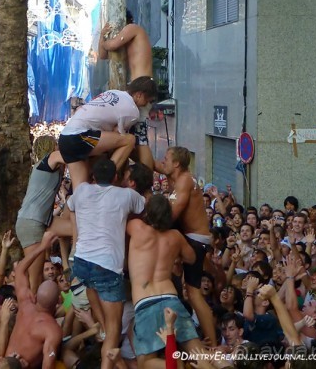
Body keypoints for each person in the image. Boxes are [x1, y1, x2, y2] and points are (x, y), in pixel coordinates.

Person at [68, 157, 145, 369]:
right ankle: (105, 350)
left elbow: (70, 206)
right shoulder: (126, 195)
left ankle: (100, 325)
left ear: (93, 176)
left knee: (91, 285)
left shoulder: (82, 190)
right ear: (116, 177)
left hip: (81, 262)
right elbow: (143, 207)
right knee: (113, 332)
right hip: (108, 268)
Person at [126, 194, 206, 367]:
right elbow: (191, 258)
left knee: (145, 362)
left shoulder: (137, 227)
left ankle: (176, 367)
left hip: (145, 303)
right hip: (171, 298)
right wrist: (175, 257)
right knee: (198, 353)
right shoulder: (175, 236)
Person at [155, 146, 216, 346]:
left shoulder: (183, 181)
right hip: (191, 236)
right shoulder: (177, 177)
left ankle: (213, 343)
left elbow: (172, 214)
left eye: (166, 158)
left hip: (196, 238)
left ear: (177, 164)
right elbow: (155, 165)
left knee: (194, 292)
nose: (163, 161)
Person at [58, 77, 157, 186]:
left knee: (81, 192)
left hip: (65, 138)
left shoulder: (114, 92)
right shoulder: (132, 111)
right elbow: (118, 137)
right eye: (148, 101)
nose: (147, 105)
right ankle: (104, 178)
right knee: (129, 140)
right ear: (139, 95)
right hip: (78, 136)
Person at [98, 12, 154, 168]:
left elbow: (111, 45)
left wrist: (105, 40)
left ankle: (148, 173)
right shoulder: (126, 35)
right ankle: (145, 169)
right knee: (131, 137)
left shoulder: (133, 28)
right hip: (134, 90)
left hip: (143, 88)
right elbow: (103, 55)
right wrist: (102, 35)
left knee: (141, 138)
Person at [15, 135, 67, 293]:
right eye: (56, 144)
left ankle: (67, 263)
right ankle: (32, 310)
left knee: (75, 228)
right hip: (31, 222)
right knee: (35, 278)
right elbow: (70, 156)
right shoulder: (48, 160)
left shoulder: (50, 167)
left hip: (43, 220)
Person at [5, 232, 62, 368]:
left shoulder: (25, 302)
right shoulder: (52, 330)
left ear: (35, 297)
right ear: (57, 302)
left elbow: (20, 270)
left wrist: (42, 247)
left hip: (5, 362)